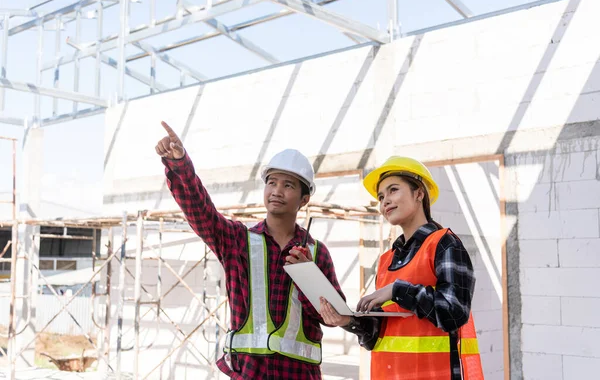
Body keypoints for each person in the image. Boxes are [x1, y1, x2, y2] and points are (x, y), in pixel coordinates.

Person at [155, 121, 345, 379]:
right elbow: (199, 211)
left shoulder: (316, 253)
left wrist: (308, 276)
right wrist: (180, 165)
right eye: (272, 182)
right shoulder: (237, 240)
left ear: (304, 198)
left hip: (299, 375)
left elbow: (335, 315)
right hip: (249, 373)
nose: (277, 191)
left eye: (288, 185)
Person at [319, 156, 484, 380]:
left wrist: (397, 290)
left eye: (393, 190)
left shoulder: (444, 244)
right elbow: (378, 336)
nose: (385, 201)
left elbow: (454, 313)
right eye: (381, 196)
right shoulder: (387, 260)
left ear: (419, 193)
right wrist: (348, 321)